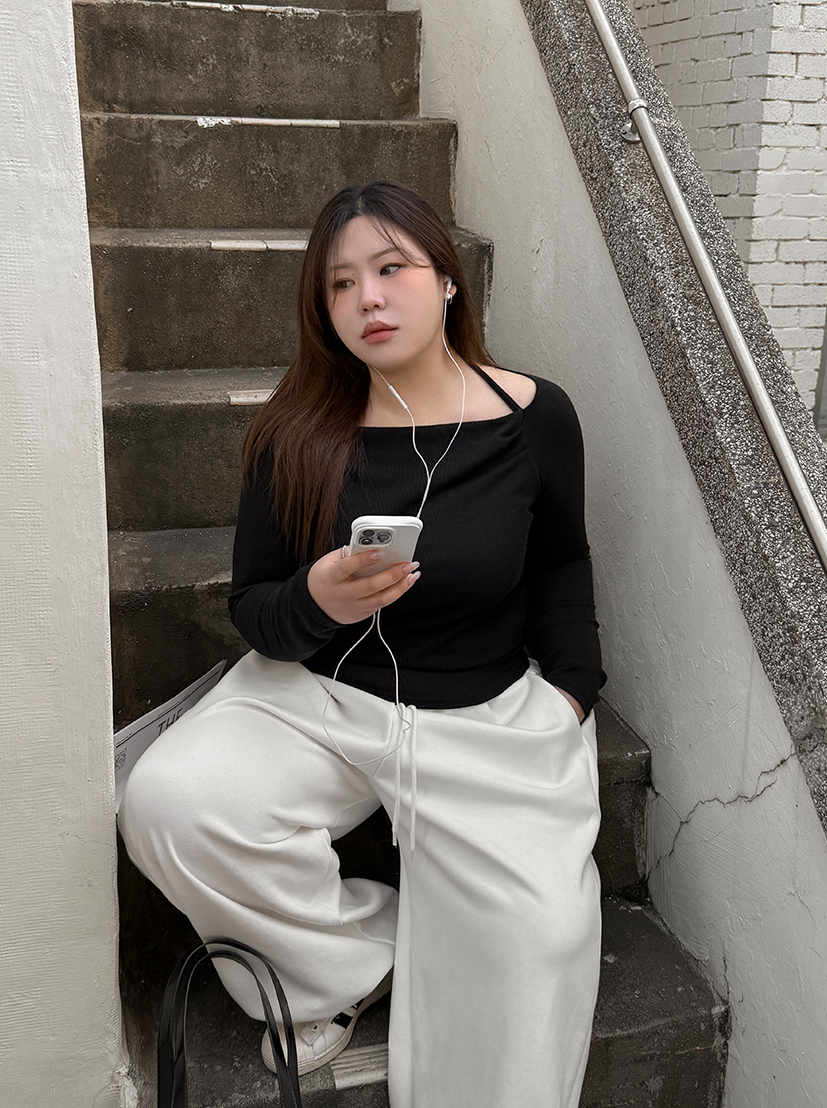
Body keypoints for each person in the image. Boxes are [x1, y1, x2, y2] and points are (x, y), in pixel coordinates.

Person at [118, 181, 606, 1108]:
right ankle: (350, 964)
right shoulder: (296, 428)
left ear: (448, 280)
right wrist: (315, 598)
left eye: (391, 269)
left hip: (484, 711)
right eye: (341, 283)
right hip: (319, 697)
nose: (368, 299)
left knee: (543, 948)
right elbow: (254, 608)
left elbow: (562, 562)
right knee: (169, 801)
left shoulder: (535, 416)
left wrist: (573, 690)